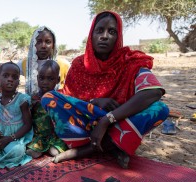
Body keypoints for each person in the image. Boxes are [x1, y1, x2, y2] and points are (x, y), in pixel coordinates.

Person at [41, 11, 169, 168]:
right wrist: (95, 102)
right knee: (49, 98)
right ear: (91, 35)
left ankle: (88, 149)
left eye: (112, 32)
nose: (105, 36)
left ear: (118, 37)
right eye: (99, 30)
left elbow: (153, 91)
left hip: (118, 120)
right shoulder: (80, 65)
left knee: (160, 108)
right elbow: (69, 97)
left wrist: (107, 120)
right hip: (84, 122)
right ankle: (113, 145)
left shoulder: (130, 61)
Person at [0, 62, 33, 168]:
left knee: (17, 151)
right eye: (6, 76)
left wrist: (10, 138)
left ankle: (0, 154)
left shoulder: (22, 100)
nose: (10, 79)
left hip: (16, 137)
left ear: (18, 82)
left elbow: (28, 125)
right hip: (1, 135)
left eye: (14, 77)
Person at [26, 60, 68, 159]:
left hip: (55, 135)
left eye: (50, 79)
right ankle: (40, 148)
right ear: (37, 78)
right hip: (39, 135)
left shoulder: (60, 98)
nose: (45, 82)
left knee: (54, 152)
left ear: (57, 80)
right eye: (42, 78)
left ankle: (51, 147)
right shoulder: (33, 98)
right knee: (33, 151)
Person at [18, 26, 70, 96]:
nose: (43, 46)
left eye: (48, 42)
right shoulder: (25, 63)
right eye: (38, 42)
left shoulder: (63, 64)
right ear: (33, 44)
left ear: (53, 45)